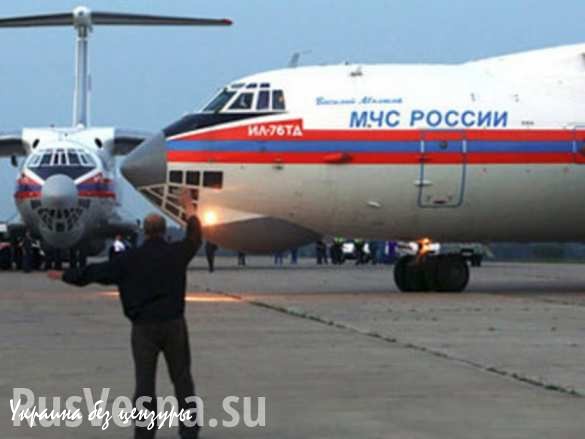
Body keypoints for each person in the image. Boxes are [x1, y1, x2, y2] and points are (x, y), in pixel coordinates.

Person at [48, 189, 202, 439]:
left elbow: (95, 273)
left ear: (145, 232)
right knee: (182, 379)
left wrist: (65, 275)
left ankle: (144, 432)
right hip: (173, 324)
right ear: (164, 231)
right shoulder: (176, 254)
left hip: (143, 328)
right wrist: (188, 208)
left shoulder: (129, 259)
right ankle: (189, 429)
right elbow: (195, 237)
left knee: (144, 383)